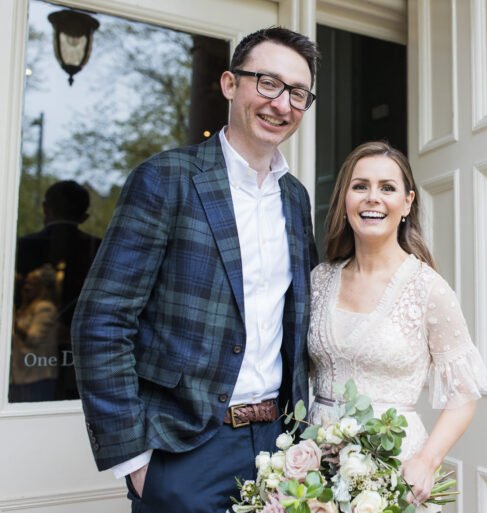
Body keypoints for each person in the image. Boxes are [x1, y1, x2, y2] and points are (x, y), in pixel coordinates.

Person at [71, 27, 319, 513]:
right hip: (184, 452)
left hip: (279, 449)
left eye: (297, 93)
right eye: (267, 83)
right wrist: (136, 461)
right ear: (230, 84)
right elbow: (101, 321)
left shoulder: (296, 198)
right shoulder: (165, 179)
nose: (282, 104)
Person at [308, 141, 487, 511]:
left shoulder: (428, 288)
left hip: (392, 475)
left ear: (407, 203)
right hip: (317, 472)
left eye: (387, 188)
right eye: (360, 186)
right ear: (345, 198)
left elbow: (463, 393)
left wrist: (427, 461)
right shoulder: (319, 280)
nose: (372, 198)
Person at [15, 180, 101, 400]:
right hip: (85, 343)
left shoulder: (24, 246)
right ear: (84, 218)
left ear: (45, 209)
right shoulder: (98, 248)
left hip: (33, 352)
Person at [9, 264, 59, 402]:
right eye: (26, 283)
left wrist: (11, 321)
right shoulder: (26, 308)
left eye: (32, 284)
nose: (27, 287)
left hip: (37, 377)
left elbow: (33, 338)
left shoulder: (45, 308)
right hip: (21, 376)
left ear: (42, 287)